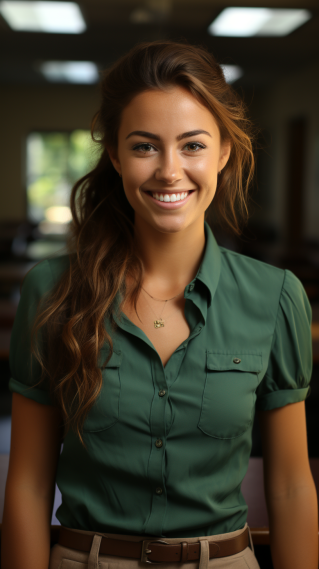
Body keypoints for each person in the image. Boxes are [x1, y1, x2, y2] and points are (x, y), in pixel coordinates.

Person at [1, 40, 318, 569]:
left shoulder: (276, 296)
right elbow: (30, 485)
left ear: (223, 152)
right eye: (145, 146)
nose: (170, 171)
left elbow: (288, 486)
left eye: (192, 145)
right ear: (115, 155)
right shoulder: (52, 291)